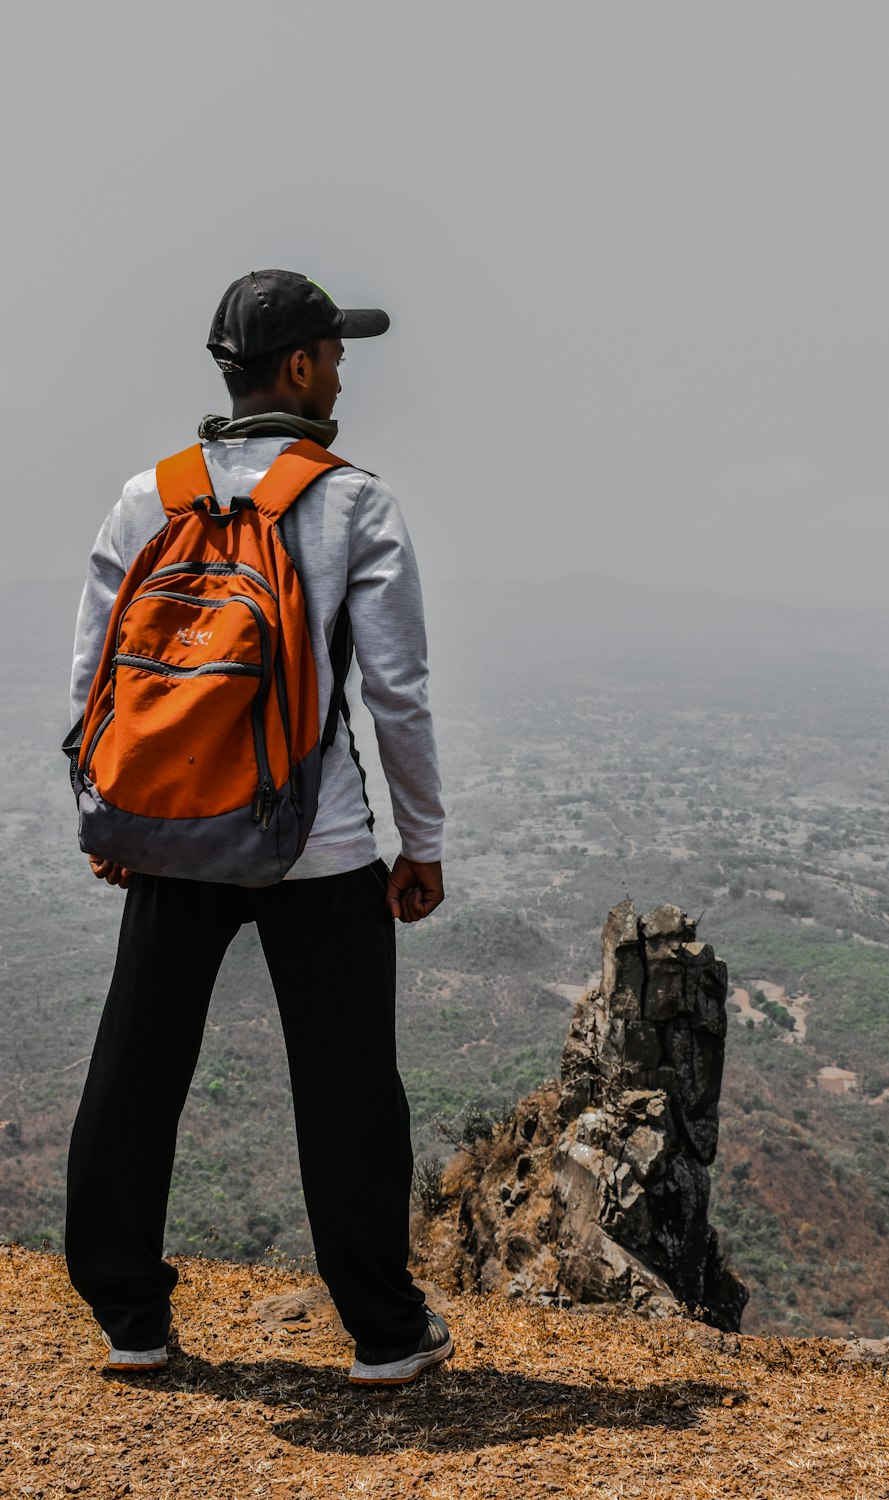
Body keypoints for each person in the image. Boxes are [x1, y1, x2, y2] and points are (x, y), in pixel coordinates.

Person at [64, 269, 452, 1386]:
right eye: (334, 354)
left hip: (175, 831)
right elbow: (398, 693)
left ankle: (129, 1319)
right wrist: (418, 842)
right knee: (344, 1086)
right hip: (314, 843)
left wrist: (111, 815)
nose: (340, 374)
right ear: (297, 368)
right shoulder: (351, 500)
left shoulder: (149, 495)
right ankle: (383, 1331)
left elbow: (96, 679)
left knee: (137, 1069)